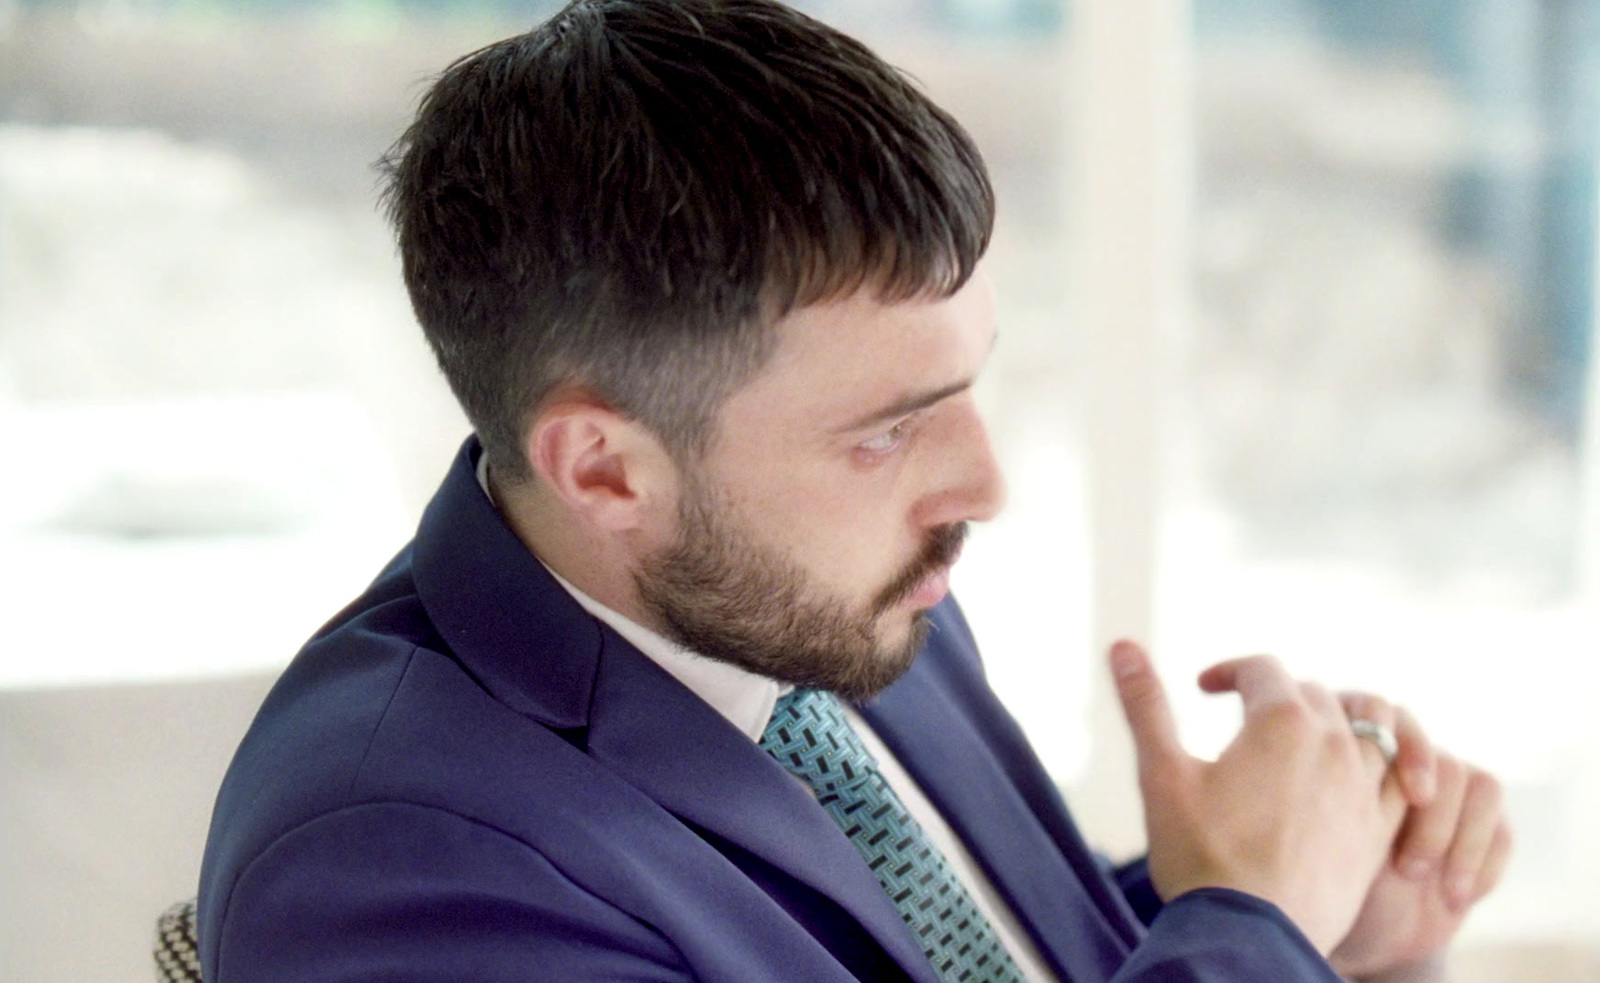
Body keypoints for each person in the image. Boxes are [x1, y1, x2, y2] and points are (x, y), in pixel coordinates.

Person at [197, 2, 1511, 981]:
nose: (983, 483)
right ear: (603, 468)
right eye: (890, 431)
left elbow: (936, 948)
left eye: (968, 385)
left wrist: (1331, 927)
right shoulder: (393, 876)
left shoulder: (818, 596)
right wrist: (1251, 927)